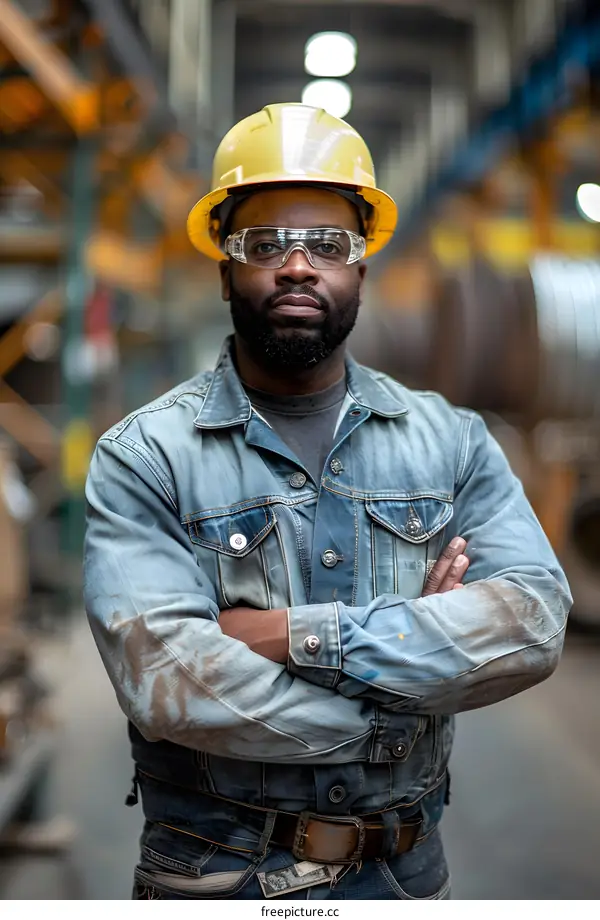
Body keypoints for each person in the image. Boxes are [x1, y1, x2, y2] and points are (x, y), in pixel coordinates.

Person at [83, 103, 572, 901]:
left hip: (406, 877)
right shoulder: (145, 455)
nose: (299, 265)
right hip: (214, 876)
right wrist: (407, 691)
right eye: (266, 243)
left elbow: (532, 623)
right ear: (224, 271)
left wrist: (286, 636)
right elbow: (165, 679)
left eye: (330, 244)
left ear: (361, 273)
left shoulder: (452, 442)